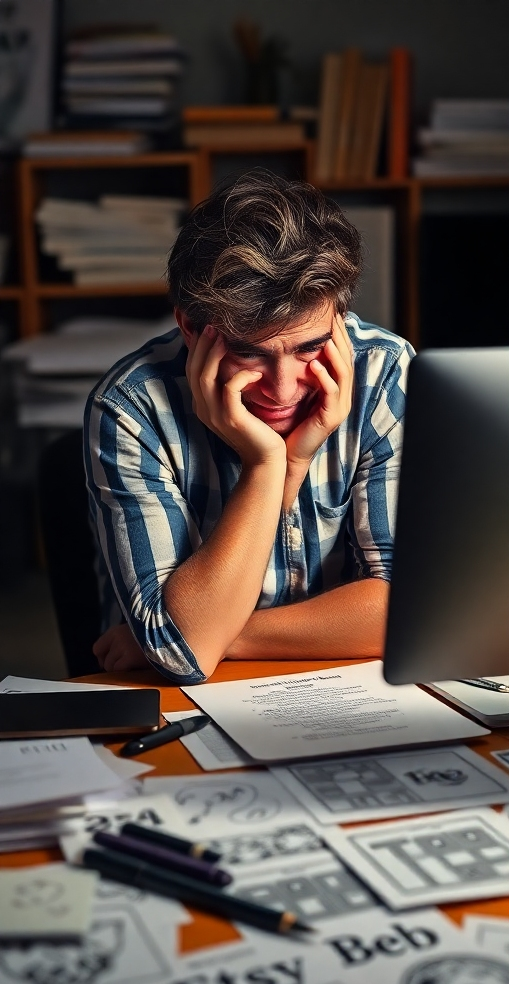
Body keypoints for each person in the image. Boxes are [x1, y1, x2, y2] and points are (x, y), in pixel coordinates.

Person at [84, 169, 413, 683]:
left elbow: (411, 609)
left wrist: (221, 635)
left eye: (308, 348)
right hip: (183, 707)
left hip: (351, 689)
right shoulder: (130, 406)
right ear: (190, 328)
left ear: (339, 316)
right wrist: (271, 465)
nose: (283, 390)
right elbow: (187, 658)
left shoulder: (386, 373)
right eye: (248, 352)